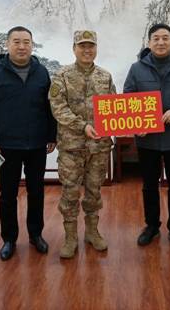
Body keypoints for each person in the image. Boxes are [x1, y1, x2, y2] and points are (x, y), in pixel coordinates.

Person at [0, 26, 57, 260]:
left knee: (36, 192)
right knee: (7, 194)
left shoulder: (41, 72)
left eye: (26, 42)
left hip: (36, 144)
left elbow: (49, 107)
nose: (22, 46)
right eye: (16, 42)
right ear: (7, 45)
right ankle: (9, 239)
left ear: (32, 45)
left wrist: (52, 135)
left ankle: (36, 234)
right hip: (7, 146)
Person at [123, 23, 170, 250]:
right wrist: (137, 123)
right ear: (149, 43)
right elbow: (128, 98)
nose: (161, 42)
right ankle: (151, 226)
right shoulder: (136, 69)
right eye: (156, 38)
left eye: (165, 38)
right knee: (149, 185)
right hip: (147, 139)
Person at [49, 30, 116, 259]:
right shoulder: (62, 76)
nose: (87, 50)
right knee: (70, 191)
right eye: (82, 46)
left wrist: (128, 125)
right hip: (72, 147)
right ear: (74, 48)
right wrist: (82, 126)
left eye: (91, 46)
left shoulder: (105, 77)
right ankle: (70, 237)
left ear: (96, 48)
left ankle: (92, 232)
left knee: (94, 191)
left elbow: (114, 108)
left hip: (98, 147)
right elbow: (58, 108)